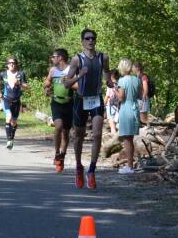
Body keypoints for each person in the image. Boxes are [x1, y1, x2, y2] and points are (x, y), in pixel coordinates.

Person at [64, 28, 110, 189]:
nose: (91, 41)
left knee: (97, 134)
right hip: (81, 100)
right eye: (87, 38)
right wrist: (79, 75)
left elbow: (106, 72)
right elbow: (66, 83)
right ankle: (78, 167)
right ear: (82, 41)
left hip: (96, 98)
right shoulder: (77, 59)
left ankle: (91, 170)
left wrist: (109, 81)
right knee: (79, 136)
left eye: (93, 38)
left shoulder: (102, 57)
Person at [43, 48, 72, 172]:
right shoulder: (53, 70)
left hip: (69, 102)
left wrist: (70, 82)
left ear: (60, 57)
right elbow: (47, 82)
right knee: (58, 126)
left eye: (53, 56)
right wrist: (46, 89)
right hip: (56, 102)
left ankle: (62, 156)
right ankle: (56, 153)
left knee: (66, 133)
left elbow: (78, 85)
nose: (52, 58)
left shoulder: (71, 70)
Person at [0, 56, 28, 150]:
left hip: (16, 101)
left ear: (16, 64)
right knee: (8, 117)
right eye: (10, 63)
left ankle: (12, 138)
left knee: (14, 122)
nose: (12, 64)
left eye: (13, 63)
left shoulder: (21, 74)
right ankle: (9, 140)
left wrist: (20, 83)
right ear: (7, 64)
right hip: (6, 99)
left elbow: (26, 87)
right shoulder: (3, 74)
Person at [116, 59, 141, 174]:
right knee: (130, 139)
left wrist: (115, 89)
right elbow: (139, 95)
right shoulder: (136, 79)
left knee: (127, 139)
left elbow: (121, 98)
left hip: (126, 109)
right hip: (135, 108)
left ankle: (129, 166)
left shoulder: (121, 81)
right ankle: (130, 165)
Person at [133, 61, 151, 125]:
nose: (132, 69)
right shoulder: (137, 77)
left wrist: (142, 102)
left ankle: (149, 131)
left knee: (144, 119)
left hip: (143, 100)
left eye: (133, 67)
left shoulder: (143, 77)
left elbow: (146, 90)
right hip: (139, 100)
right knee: (140, 119)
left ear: (137, 68)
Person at [105, 70, 120, 136]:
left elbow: (107, 96)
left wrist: (103, 105)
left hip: (110, 105)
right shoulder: (120, 84)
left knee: (112, 124)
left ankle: (113, 135)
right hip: (118, 106)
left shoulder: (110, 85)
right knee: (117, 123)